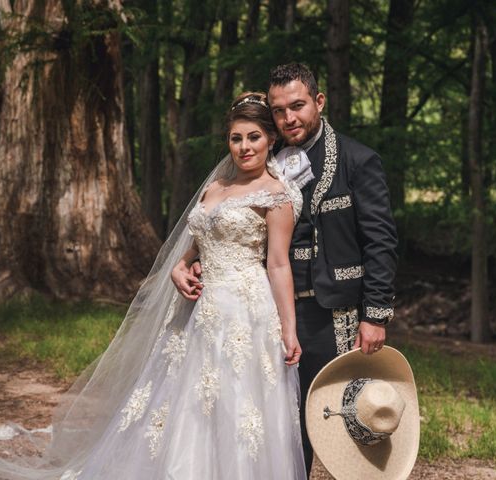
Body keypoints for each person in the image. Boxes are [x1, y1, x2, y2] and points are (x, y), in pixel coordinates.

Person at [0, 92, 309, 480]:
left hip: (244, 311)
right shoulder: (215, 187)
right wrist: (179, 268)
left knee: (238, 403)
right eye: (236, 138)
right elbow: (193, 246)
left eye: (254, 137)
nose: (244, 147)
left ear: (271, 139)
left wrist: (287, 329)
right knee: (187, 403)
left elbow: (277, 265)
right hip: (197, 311)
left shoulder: (276, 194)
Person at [175, 63, 398, 478]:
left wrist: (374, 315)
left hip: (333, 312)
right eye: (279, 110)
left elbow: (381, 243)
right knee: (277, 422)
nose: (289, 117)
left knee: (336, 418)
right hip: (265, 311)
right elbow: (229, 224)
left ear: (319, 102)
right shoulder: (260, 154)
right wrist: (192, 260)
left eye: (297, 106)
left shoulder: (357, 161)